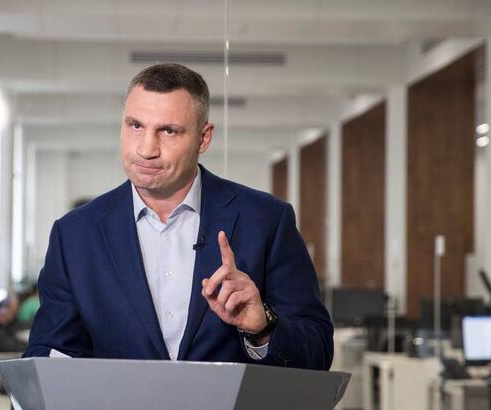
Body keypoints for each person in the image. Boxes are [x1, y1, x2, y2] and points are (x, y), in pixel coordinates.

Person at [23, 63, 333, 370]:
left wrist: (263, 327)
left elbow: (317, 353)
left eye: (168, 131)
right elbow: (47, 355)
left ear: (204, 138)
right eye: (135, 126)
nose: (146, 149)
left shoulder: (266, 221)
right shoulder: (75, 235)